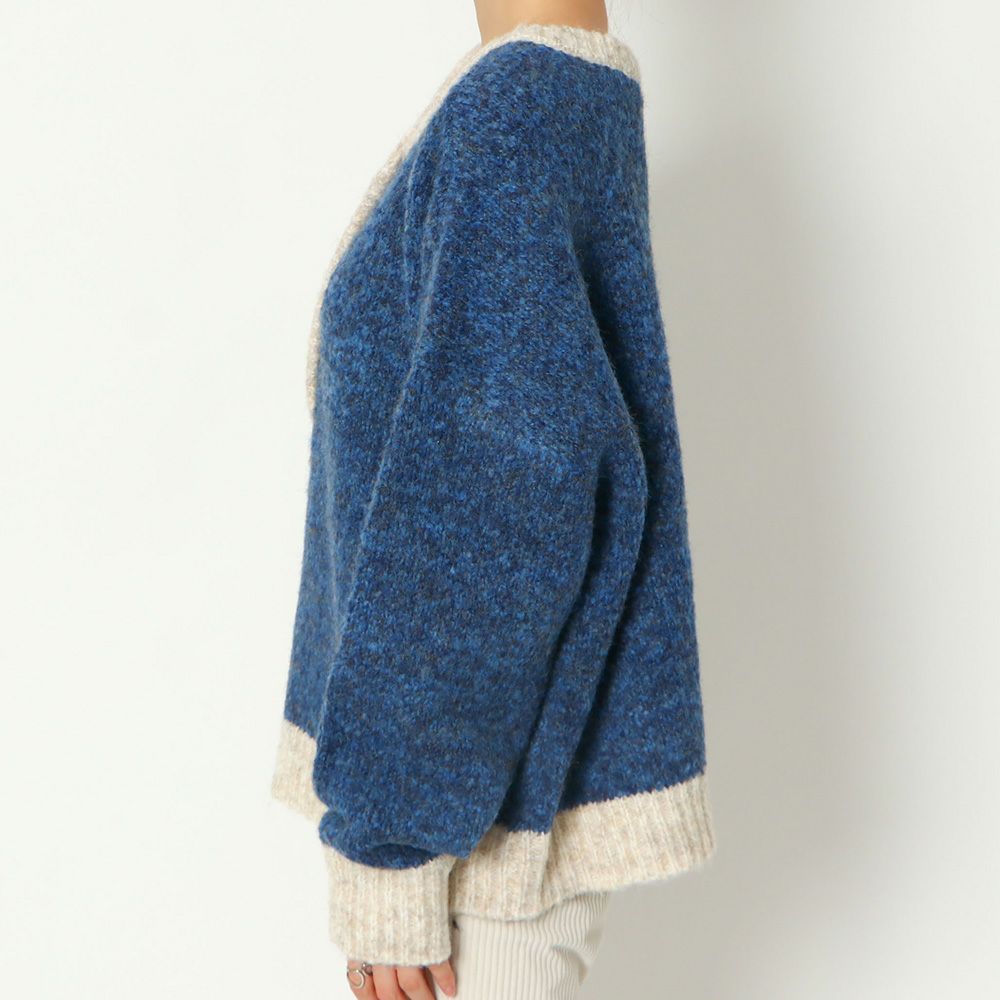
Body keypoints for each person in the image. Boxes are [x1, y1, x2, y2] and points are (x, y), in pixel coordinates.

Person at [271, 2, 716, 997]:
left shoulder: (518, 107)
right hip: (488, 824)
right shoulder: (562, 94)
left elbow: (492, 516)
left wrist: (392, 850)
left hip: (475, 868)